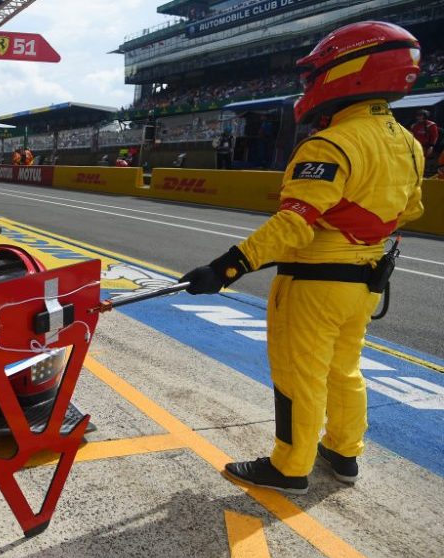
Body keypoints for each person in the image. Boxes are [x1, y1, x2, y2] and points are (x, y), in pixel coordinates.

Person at [180, 21, 425, 495]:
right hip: (364, 284)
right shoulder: (409, 143)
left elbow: (293, 225)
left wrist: (226, 268)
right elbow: (409, 209)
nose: (308, 85)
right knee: (345, 369)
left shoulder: (331, 143)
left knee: (300, 377)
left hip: (313, 287)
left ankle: (290, 467)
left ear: (346, 71)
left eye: (315, 74)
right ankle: (344, 452)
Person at [410, 109, 439, 174]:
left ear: (425, 116)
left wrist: (431, 147)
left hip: (426, 147)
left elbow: (435, 136)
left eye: (421, 116)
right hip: (416, 147)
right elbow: (411, 136)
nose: (419, 117)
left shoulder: (431, 125)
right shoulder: (414, 125)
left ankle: (425, 172)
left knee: (425, 161)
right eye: (418, 116)